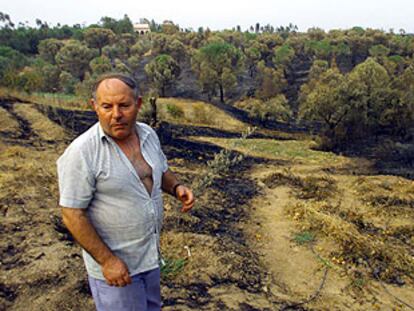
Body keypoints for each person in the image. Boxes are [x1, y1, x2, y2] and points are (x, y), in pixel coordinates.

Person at [57, 73, 195, 311]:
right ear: (94, 107)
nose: (116, 114)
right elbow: (72, 214)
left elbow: (159, 169)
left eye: (124, 105)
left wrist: (175, 187)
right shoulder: (82, 152)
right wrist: (108, 261)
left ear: (139, 104)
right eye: (107, 106)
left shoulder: (149, 135)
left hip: (148, 257)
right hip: (116, 269)